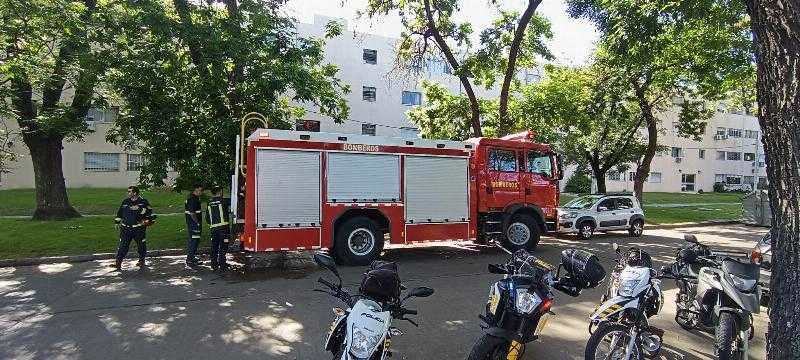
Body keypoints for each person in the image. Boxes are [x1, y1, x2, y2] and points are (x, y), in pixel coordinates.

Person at [113, 186, 156, 271]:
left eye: (129, 192)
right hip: (126, 228)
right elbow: (120, 213)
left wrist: (140, 210)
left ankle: (141, 260)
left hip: (138, 229)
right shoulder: (125, 202)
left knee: (141, 245)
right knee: (123, 245)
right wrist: (117, 222)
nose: (128, 193)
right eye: (128, 191)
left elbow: (149, 213)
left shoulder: (143, 202)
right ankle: (118, 263)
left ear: (135, 193)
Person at [205, 186, 230, 271]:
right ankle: (222, 264)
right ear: (220, 192)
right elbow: (235, 201)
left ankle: (214, 264)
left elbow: (207, 218)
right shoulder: (224, 201)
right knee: (223, 246)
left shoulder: (209, 202)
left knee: (214, 246)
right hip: (223, 228)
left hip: (213, 229)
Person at [185, 184, 204, 267]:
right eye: (200, 190)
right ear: (195, 190)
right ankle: (190, 259)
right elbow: (192, 213)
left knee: (195, 240)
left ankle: (192, 257)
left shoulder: (194, 198)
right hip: (194, 224)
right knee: (194, 241)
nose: (201, 192)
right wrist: (197, 222)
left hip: (193, 223)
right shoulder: (192, 199)